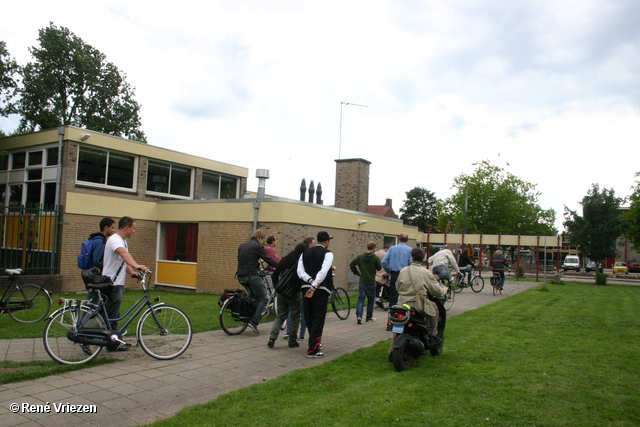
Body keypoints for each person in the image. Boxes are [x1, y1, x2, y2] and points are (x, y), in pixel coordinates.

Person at [102, 216, 150, 346]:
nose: (134, 231)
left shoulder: (122, 240)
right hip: (111, 284)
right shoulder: (115, 240)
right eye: (133, 228)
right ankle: (110, 342)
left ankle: (112, 340)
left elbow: (122, 260)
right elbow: (123, 254)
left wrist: (132, 272)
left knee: (114, 314)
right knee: (110, 315)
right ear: (126, 227)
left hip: (117, 283)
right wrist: (137, 265)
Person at [297, 231, 334, 358]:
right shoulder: (328, 254)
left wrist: (309, 281)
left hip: (305, 287)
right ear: (327, 242)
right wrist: (314, 285)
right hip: (320, 289)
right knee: (318, 317)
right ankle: (313, 348)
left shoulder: (304, 253)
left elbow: (300, 271)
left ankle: (315, 342)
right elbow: (323, 271)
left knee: (309, 316)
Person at [396, 247, 448, 337]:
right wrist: (444, 290)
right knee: (434, 309)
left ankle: (393, 346)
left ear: (412, 257)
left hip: (402, 303)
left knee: (398, 325)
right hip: (418, 304)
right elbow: (437, 291)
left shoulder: (403, 271)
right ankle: (432, 335)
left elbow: (398, 287)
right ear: (423, 258)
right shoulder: (426, 273)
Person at [236, 229, 279, 334]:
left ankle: (248, 317)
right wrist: (281, 266)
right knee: (262, 299)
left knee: (253, 299)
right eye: (262, 240)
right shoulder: (257, 246)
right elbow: (268, 259)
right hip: (251, 276)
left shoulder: (242, 245)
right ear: (260, 238)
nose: (262, 242)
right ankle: (254, 322)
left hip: (240, 275)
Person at [268, 242, 307, 349]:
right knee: (295, 317)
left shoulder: (286, 259)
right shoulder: (301, 263)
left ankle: (272, 337)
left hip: (281, 291)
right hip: (293, 293)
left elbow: (275, 275)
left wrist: (277, 287)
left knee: (280, 316)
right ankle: (292, 341)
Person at [350, 241, 382, 324]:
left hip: (362, 281)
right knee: (371, 301)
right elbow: (379, 268)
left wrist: (357, 273)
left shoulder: (360, 257)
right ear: (374, 248)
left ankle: (359, 316)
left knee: (361, 299)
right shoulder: (375, 258)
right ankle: (369, 317)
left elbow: (352, 264)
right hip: (371, 282)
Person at [381, 233, 412, 310]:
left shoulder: (392, 249)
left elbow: (384, 262)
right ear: (407, 240)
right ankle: (403, 310)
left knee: (393, 293)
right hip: (405, 274)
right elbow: (411, 263)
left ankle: (392, 310)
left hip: (394, 273)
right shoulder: (409, 250)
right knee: (404, 293)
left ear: (398, 239)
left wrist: (389, 269)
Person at [374, 245, 389, 310]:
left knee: (377, 288)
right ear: (387, 249)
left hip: (376, 274)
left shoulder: (375, 253)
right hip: (383, 273)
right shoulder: (386, 254)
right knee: (386, 287)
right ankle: (381, 299)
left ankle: (377, 300)